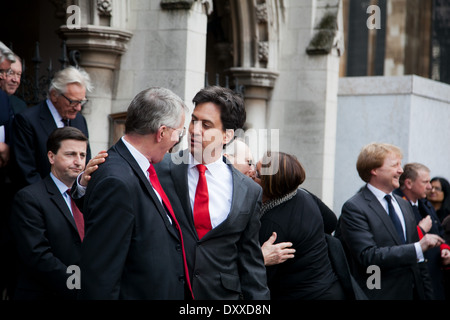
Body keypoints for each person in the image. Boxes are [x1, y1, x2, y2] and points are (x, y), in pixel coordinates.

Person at [154, 85, 270, 299]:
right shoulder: (158, 169)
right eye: (194, 120)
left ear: (226, 136)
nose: (194, 130)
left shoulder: (249, 191)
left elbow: (250, 263)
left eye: (206, 125)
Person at [79, 87, 192, 300]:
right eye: (179, 132)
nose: (178, 140)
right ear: (162, 132)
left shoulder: (141, 167)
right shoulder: (117, 180)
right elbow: (101, 273)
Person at [338, 142, 444, 300]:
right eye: (395, 165)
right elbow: (368, 256)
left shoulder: (403, 204)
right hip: (379, 293)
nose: (401, 170)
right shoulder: (354, 208)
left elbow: (418, 258)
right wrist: (418, 247)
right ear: (374, 170)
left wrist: (427, 294)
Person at [9, 127, 89, 299]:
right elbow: (37, 256)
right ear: (51, 157)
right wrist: (79, 285)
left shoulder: (87, 197)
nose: (78, 162)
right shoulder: (29, 198)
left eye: (82, 155)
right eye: (70, 154)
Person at [255, 151, 346, 300]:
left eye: (258, 174)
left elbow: (262, 278)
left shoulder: (272, 224)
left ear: (271, 186)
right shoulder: (302, 194)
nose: (251, 172)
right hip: (330, 288)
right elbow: (331, 222)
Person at [12, 66, 92, 189]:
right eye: (73, 102)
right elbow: (26, 171)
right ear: (54, 95)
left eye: (81, 102)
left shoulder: (80, 120)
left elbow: (85, 163)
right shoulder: (27, 120)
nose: (78, 108)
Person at [394, 163, 450, 299]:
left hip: (434, 277)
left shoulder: (425, 204)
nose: (430, 187)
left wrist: (445, 249)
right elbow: (396, 243)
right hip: (412, 280)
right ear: (408, 183)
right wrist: (420, 230)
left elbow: (439, 233)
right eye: (425, 182)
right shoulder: (396, 205)